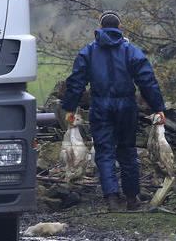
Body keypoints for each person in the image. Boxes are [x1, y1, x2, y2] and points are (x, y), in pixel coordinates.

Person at [62, 11, 165, 211]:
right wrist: (158, 107)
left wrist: (69, 109)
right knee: (127, 151)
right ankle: (132, 199)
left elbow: (75, 83)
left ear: (100, 28)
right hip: (126, 106)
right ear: (119, 28)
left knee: (104, 151)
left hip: (100, 106)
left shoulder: (88, 52)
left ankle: (112, 199)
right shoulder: (131, 51)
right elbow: (147, 81)